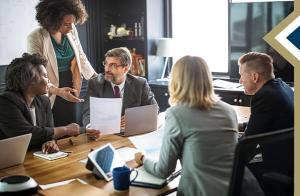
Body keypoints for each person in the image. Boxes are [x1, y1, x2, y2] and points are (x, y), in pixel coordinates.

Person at [134, 55, 244, 196]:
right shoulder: (229, 110)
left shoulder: (176, 114)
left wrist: (143, 158)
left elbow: (163, 171)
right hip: (237, 189)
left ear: (176, 81)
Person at [27, 0, 97, 126]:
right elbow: (36, 73)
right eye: (66, 24)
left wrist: (95, 77)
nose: (71, 28)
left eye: (72, 23)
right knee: (54, 127)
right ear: (52, 21)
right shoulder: (35, 37)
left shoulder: (71, 29)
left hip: (71, 84)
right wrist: (58, 91)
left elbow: (80, 56)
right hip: (49, 88)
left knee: (72, 125)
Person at [0, 53, 83, 153]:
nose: (48, 80)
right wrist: (66, 129)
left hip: (37, 159)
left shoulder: (43, 101)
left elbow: (49, 132)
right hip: (10, 161)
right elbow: (27, 134)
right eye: (45, 75)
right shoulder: (6, 102)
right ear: (30, 79)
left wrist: (50, 142)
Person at [238, 52, 294, 195]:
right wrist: (239, 127)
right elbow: (267, 123)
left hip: (278, 167)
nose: (240, 81)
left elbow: (246, 147)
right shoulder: (283, 87)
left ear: (254, 77)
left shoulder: (264, 96)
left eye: (242, 75)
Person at [82, 47, 157, 128]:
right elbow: (88, 114)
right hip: (105, 132)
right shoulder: (95, 83)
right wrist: (90, 127)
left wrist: (135, 118)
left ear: (125, 69)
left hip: (133, 132)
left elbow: (154, 110)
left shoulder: (140, 83)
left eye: (113, 65)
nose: (107, 69)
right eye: (106, 64)